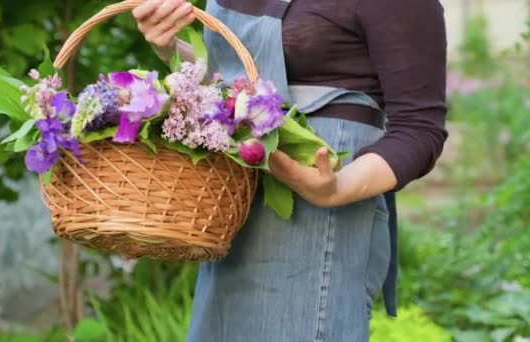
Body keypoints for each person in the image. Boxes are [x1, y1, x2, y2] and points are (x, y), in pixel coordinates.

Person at [133, 0, 447, 341]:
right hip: (234, 212)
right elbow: (232, 85)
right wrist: (171, 48)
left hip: (317, 221)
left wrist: (336, 188)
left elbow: (419, 129)